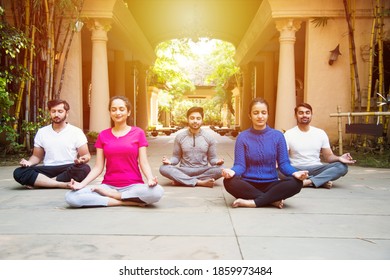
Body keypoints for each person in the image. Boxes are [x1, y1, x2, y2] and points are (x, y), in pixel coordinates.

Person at [65, 96, 164, 207]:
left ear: (128, 112)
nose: (117, 112)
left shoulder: (138, 133)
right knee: (71, 197)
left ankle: (115, 196)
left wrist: (150, 179)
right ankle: (126, 201)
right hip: (108, 186)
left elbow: (144, 162)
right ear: (110, 112)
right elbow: (98, 167)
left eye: (121, 109)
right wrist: (81, 184)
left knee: (157, 192)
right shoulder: (103, 135)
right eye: (113, 109)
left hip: (134, 186)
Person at [222, 97, 308, 208]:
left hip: (271, 183)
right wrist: (232, 172)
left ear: (268, 115)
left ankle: (253, 202)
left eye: (264, 112)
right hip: (248, 183)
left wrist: (295, 173)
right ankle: (271, 200)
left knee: (296, 183)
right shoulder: (242, 137)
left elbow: (284, 164)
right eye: (256, 113)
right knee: (228, 182)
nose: (260, 116)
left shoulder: (278, 136)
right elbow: (240, 165)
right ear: (250, 115)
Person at [13, 99, 91, 189]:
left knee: (84, 168)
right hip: (48, 169)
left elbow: (86, 155)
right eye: (53, 111)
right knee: (19, 172)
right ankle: (62, 184)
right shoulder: (42, 132)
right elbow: (37, 157)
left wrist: (82, 159)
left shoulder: (76, 132)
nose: (56, 114)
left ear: (67, 113)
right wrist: (28, 163)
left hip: (68, 167)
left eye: (60, 111)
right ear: (50, 112)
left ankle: (43, 182)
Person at [283, 102, 355, 189]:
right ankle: (320, 181)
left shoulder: (320, 133)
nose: (304, 115)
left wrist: (339, 158)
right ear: (295, 115)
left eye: (307, 112)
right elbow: (284, 159)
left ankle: (308, 182)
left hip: (316, 168)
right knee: (277, 169)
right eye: (301, 113)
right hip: (296, 169)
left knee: (342, 167)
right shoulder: (288, 134)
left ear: (311, 115)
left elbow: (328, 156)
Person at [159, 106, 224, 188]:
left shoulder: (209, 138)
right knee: (163, 168)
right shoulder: (180, 137)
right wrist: (170, 162)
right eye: (192, 118)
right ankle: (199, 182)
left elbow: (212, 159)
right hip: (184, 170)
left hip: (202, 170)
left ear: (202, 120)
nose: (195, 121)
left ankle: (183, 181)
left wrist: (217, 162)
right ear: (188, 119)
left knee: (221, 169)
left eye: (198, 118)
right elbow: (176, 157)